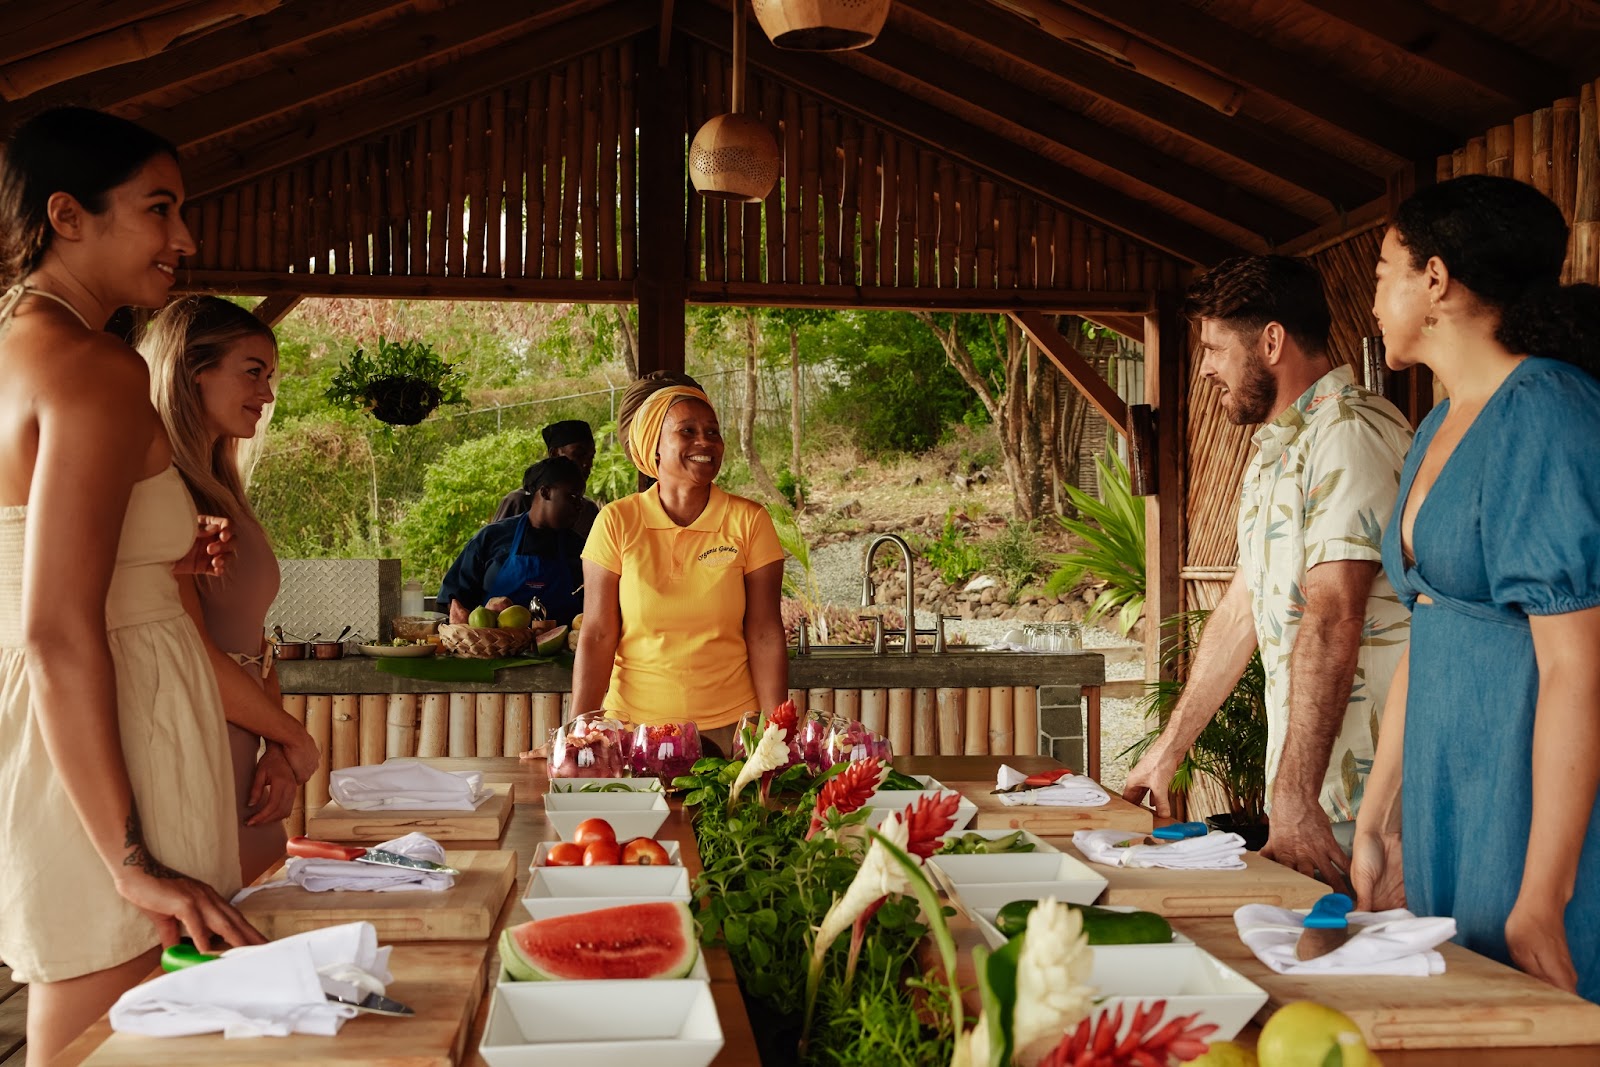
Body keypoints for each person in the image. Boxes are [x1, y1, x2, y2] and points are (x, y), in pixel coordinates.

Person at [0, 107, 263, 1062]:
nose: (184, 239)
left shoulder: (15, 346)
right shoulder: (94, 367)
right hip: (118, 746)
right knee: (120, 1041)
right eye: (160, 209)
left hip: (62, 735)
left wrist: (158, 569)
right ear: (68, 215)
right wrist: (131, 858)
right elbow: (58, 628)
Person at [1353, 175, 1600, 1001]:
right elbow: (1431, 624)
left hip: (1530, 808)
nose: (1374, 296)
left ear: (1435, 278)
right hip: (1447, 790)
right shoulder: (1437, 422)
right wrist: (1380, 815)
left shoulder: (1549, 412)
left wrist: (1545, 893)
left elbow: (1576, 665)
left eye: (1385, 270)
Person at [1121, 255, 1413, 892]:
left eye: (1215, 348)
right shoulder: (1283, 447)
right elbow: (1241, 610)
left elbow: (1335, 612)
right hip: (1322, 795)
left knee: (1369, 987)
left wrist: (1296, 795)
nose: (1204, 368)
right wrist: (1168, 751)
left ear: (1272, 341)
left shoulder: (1348, 433)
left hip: (1372, 805)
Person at [141, 295, 323, 884]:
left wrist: (274, 743)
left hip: (247, 739)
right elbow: (188, 648)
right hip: (187, 739)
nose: (267, 395)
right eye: (253, 372)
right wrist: (292, 737)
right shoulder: (157, 493)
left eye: (269, 377)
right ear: (191, 370)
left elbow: (256, 641)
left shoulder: (221, 489)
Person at [566, 377, 787, 752]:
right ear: (654, 448)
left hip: (731, 732)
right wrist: (578, 731)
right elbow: (599, 634)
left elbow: (765, 633)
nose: (706, 442)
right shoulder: (617, 521)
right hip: (632, 733)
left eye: (713, 432)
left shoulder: (748, 521)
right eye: (688, 431)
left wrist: (776, 733)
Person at [441, 456, 586, 625]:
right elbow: (454, 594)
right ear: (545, 492)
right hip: (496, 647)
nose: (579, 506)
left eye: (581, 499)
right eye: (573, 497)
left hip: (560, 649)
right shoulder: (492, 537)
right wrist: (462, 618)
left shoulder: (579, 549)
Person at [491, 419, 600, 539]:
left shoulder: (588, 511)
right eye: (579, 454)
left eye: (591, 457)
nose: (587, 464)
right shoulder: (518, 502)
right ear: (554, 454)